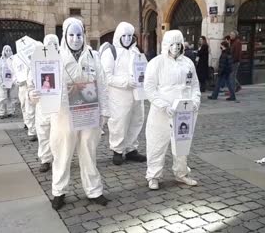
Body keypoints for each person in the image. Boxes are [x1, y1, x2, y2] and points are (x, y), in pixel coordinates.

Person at [41, 17, 109, 210]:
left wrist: (105, 111)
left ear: (84, 36)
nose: (75, 38)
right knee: (62, 154)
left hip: (89, 111)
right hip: (64, 115)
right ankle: (59, 192)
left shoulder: (93, 57)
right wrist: (36, 94)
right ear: (65, 36)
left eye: (79, 35)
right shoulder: (53, 58)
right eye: (71, 34)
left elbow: (102, 85)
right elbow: (43, 85)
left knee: (88, 152)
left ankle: (94, 191)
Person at [144, 30, 201, 190]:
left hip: (183, 113)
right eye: (172, 44)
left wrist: (195, 100)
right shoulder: (156, 63)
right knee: (157, 143)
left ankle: (181, 173)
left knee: (182, 144)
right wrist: (163, 105)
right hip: (162, 113)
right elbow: (149, 88)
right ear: (166, 45)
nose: (175, 47)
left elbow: (195, 85)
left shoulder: (188, 63)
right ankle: (153, 175)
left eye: (178, 44)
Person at [100, 22, 146, 166]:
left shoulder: (135, 52)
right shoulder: (111, 52)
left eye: (129, 36)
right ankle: (118, 150)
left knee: (136, 120)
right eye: (124, 36)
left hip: (136, 95)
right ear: (118, 36)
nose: (127, 39)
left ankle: (131, 148)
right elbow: (106, 76)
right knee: (119, 123)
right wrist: (126, 82)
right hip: (119, 95)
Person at [26, 34, 60, 173]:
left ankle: (60, 159)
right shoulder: (36, 62)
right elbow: (30, 84)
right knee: (43, 132)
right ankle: (45, 159)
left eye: (54, 44)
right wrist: (31, 94)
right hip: (43, 104)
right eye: (49, 44)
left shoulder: (63, 60)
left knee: (59, 134)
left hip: (59, 105)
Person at [10, 37, 38, 141]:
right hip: (23, 86)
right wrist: (17, 81)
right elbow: (14, 73)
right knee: (24, 107)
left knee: (32, 108)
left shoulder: (35, 55)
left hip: (33, 86)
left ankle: (32, 130)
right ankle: (28, 123)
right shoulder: (15, 59)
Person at [0, 45, 17, 118]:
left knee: (11, 97)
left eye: (9, 50)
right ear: (3, 51)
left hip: (12, 82)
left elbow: (16, 71)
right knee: (2, 98)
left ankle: (10, 111)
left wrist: (14, 81)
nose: (8, 52)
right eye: (6, 50)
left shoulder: (14, 60)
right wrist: (1, 83)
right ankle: (1, 112)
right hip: (3, 82)